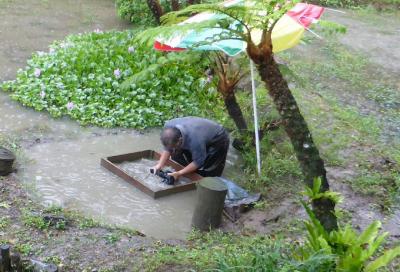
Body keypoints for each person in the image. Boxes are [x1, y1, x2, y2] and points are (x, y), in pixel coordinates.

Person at [153, 117, 230, 181]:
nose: (172, 149)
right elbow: (168, 148)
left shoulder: (196, 140)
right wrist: (159, 165)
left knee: (208, 171)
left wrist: (179, 173)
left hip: (218, 138)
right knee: (177, 155)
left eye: (174, 146)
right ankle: (186, 169)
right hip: (196, 132)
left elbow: (198, 161)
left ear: (180, 140)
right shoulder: (168, 127)